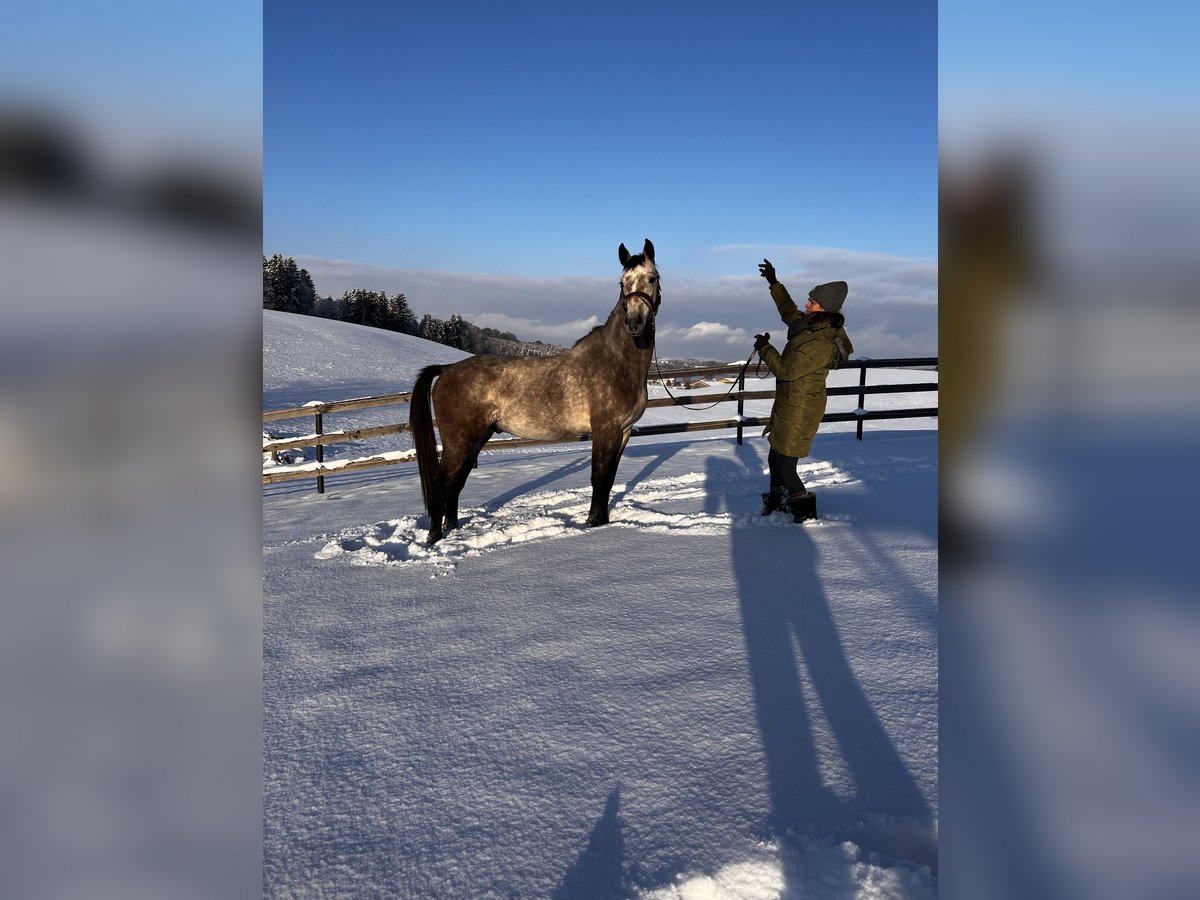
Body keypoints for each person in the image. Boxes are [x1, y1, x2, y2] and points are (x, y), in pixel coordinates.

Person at [753, 259, 853, 522]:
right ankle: (777, 500)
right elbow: (789, 311)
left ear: (824, 309)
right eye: (809, 300)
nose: (806, 304)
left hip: (801, 410)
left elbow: (786, 370)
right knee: (775, 454)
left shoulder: (821, 341)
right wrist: (773, 282)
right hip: (790, 403)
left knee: (786, 465)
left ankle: (804, 512)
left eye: (812, 301)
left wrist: (765, 348)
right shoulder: (810, 324)